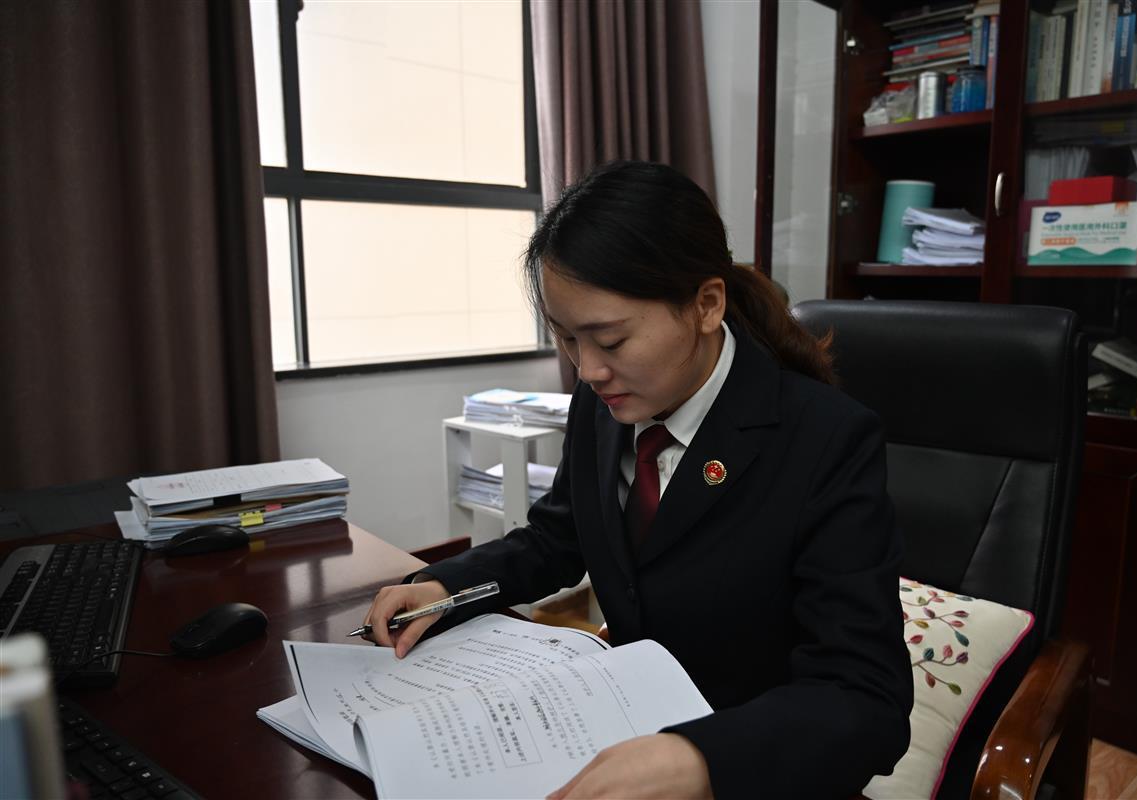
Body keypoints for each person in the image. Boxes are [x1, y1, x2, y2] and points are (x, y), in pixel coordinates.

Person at [363, 161, 913, 799]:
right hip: (618, 733)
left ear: (706, 305)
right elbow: (558, 537)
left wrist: (701, 759)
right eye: (568, 340)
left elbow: (863, 696)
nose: (588, 370)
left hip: (749, 768)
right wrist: (445, 586)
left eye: (611, 340)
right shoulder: (603, 404)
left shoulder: (826, 439)